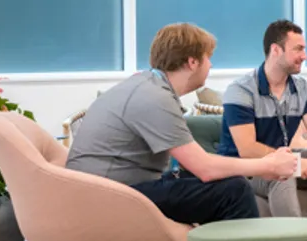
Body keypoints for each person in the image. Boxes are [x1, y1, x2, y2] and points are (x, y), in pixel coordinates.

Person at [66, 23, 295, 225]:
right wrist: (268, 166)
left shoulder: (146, 87)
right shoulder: (154, 98)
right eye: (208, 57)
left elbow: (195, 164)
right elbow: (204, 168)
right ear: (192, 62)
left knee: (225, 182)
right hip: (109, 196)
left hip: (109, 188)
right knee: (233, 191)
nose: (211, 65)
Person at [219, 20, 307, 241]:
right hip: (244, 170)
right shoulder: (240, 90)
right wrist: (295, 161)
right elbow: (247, 148)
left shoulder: (302, 89)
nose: (305, 56)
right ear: (276, 50)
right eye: (298, 49)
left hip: (282, 159)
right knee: (283, 172)